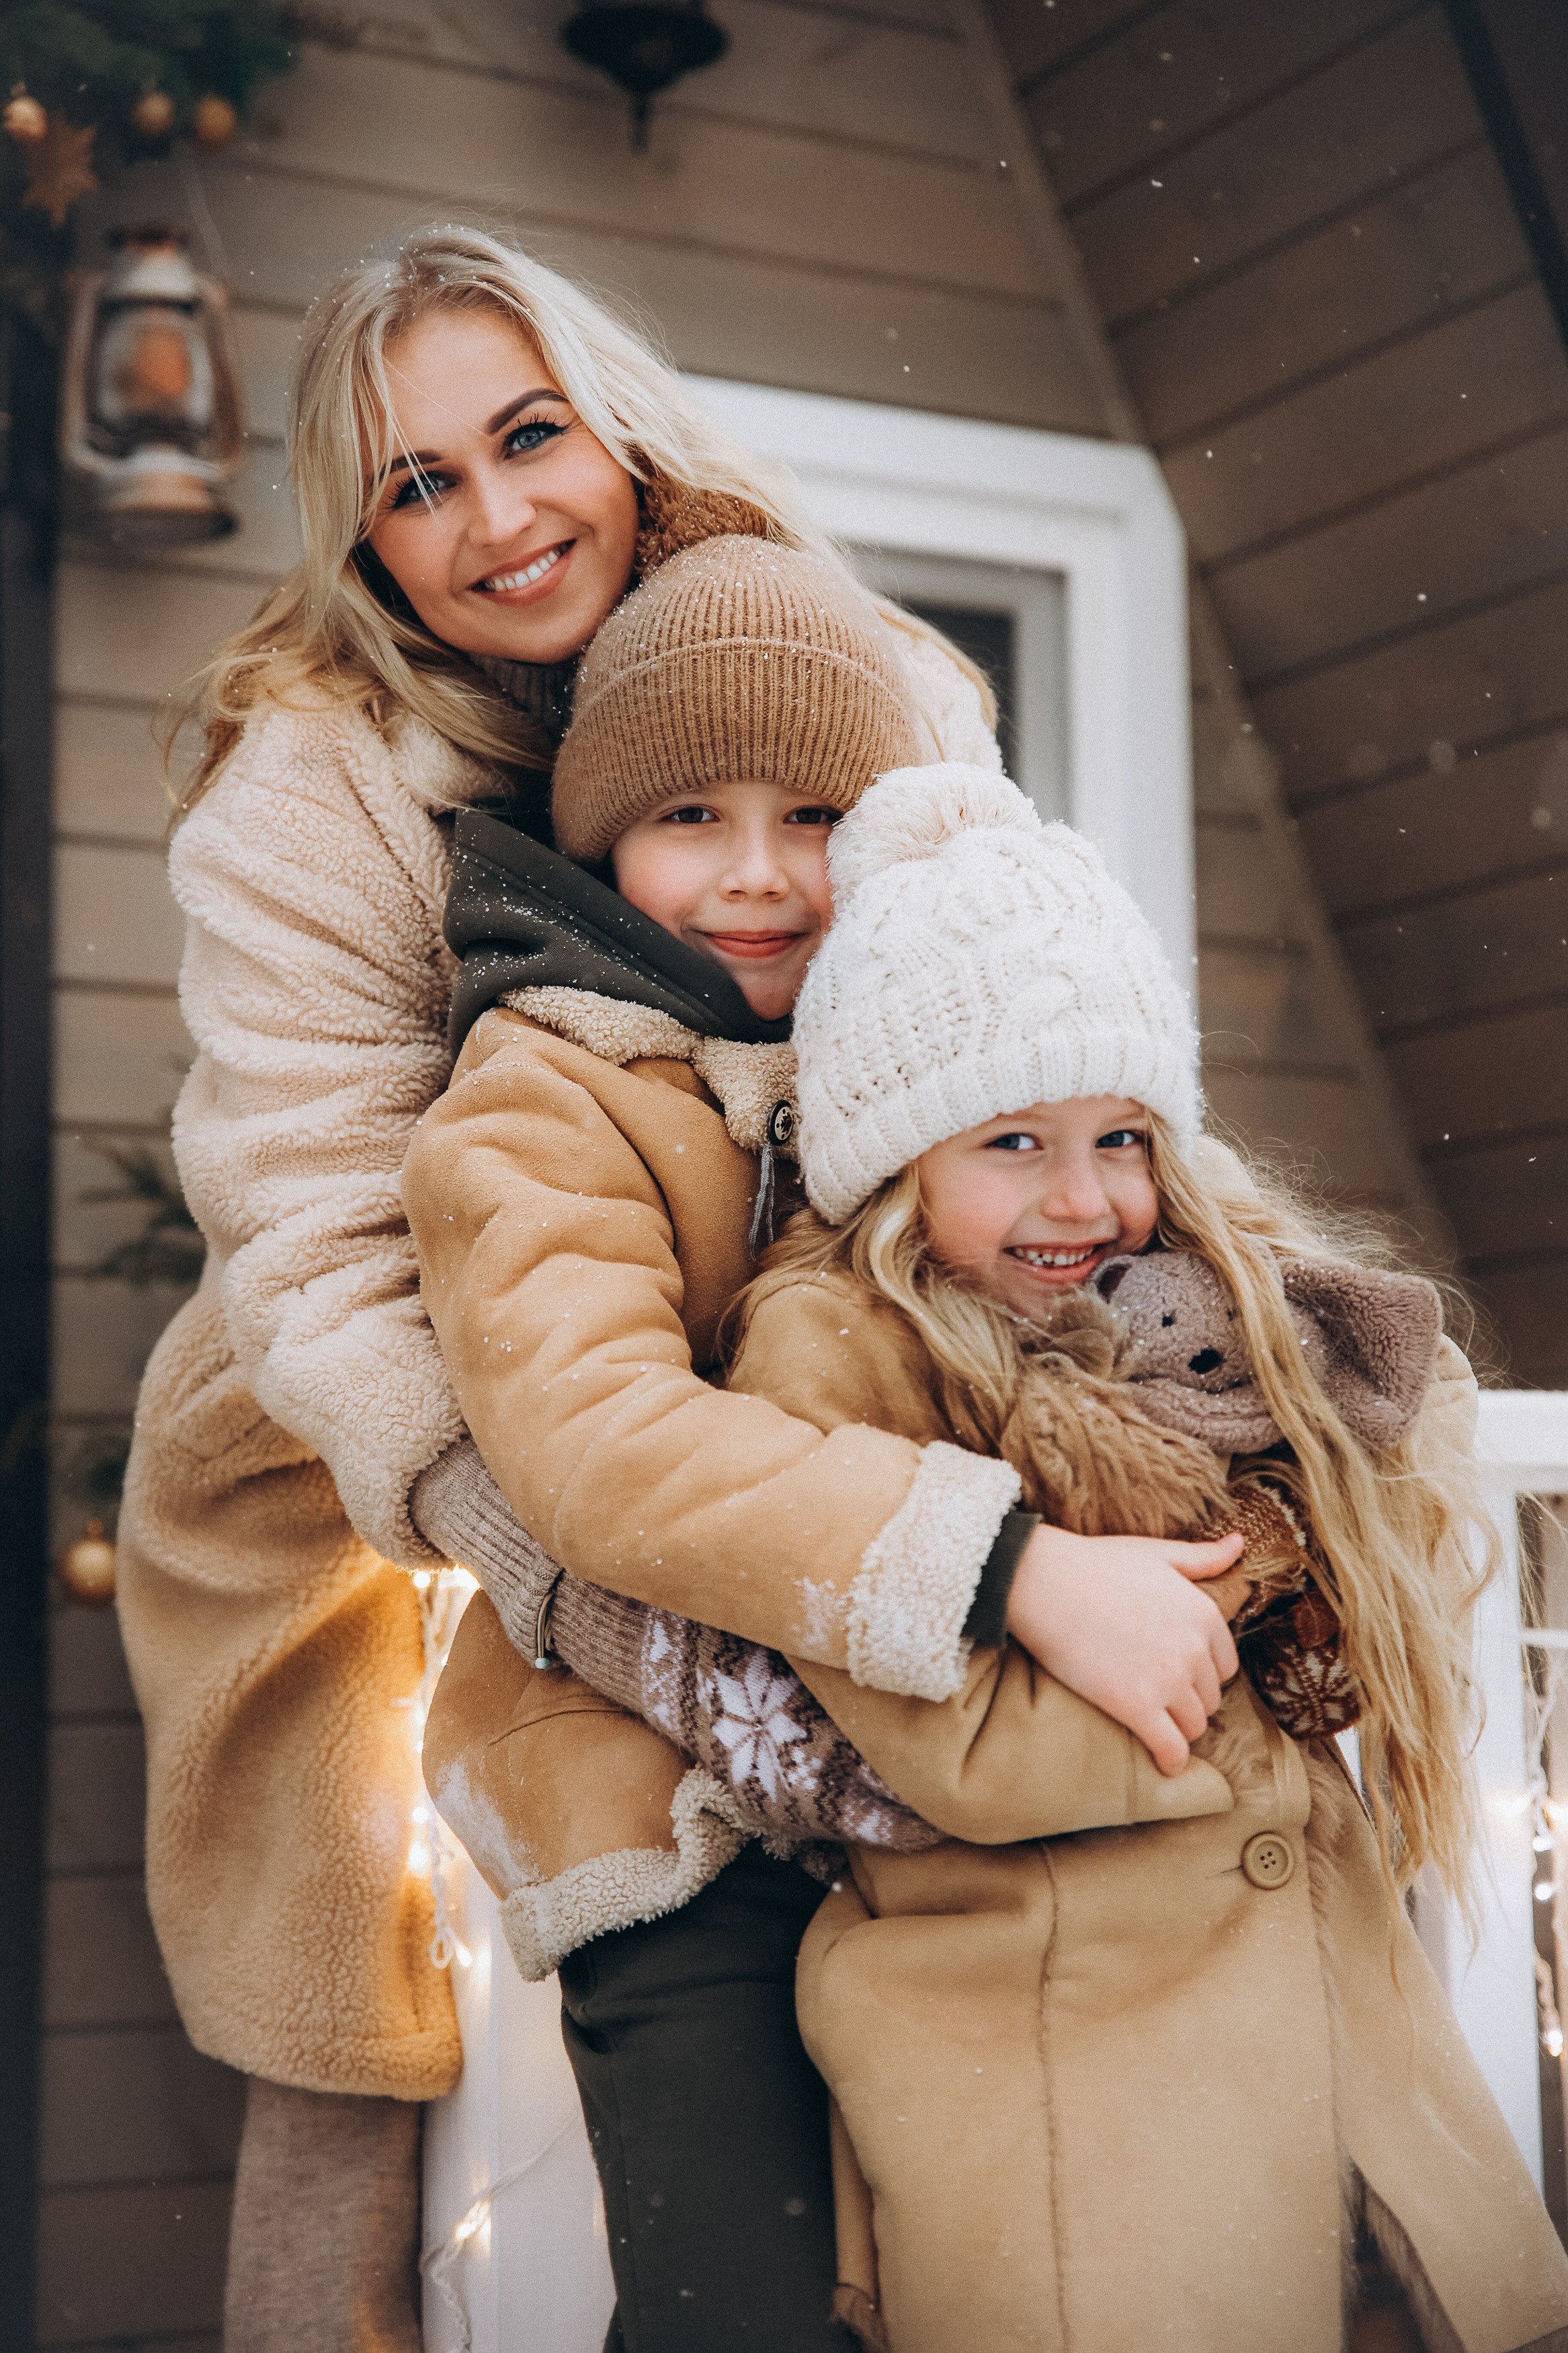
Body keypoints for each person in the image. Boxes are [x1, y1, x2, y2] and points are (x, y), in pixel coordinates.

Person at [112, 223, 1004, 2352]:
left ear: (610, 423)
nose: (498, 518)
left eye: (527, 437)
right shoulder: (303, 791)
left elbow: (994, 1024)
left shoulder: (855, 666)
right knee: (355, 1952)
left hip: (747, 1337)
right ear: (364, 541)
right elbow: (324, 1252)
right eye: (420, 486)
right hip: (359, 1432)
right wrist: (577, 1568)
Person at [474, 763, 1568, 2352]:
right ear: (894, 1157)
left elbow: (1404, 1419)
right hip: (1074, 2105)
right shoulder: (839, 1351)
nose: (1085, 1197)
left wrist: (1315, 1491)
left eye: (1123, 1134)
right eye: (1012, 1142)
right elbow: (977, 1759)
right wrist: (1247, 1562)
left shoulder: (1161, 1308)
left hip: (1315, 2061)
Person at [409, 544, 1249, 2349]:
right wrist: (1010, 1566)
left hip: (939, 1763)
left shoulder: (931, 1041)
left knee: (1010, 2248)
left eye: (811, 812)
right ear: (601, 843)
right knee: (751, 2282)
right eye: (691, 813)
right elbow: (597, 1439)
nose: (760, 872)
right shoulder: (546, 1090)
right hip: (666, 1765)